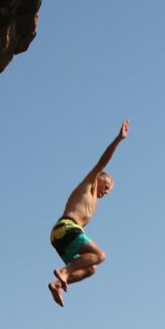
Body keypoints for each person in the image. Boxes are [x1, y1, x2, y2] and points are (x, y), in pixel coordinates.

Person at [48, 120, 129, 307]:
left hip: (59, 237)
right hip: (66, 227)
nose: (106, 192)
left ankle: (57, 284)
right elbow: (103, 161)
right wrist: (118, 140)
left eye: (109, 192)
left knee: (91, 268)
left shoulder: (94, 206)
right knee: (100, 256)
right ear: (99, 179)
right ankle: (65, 272)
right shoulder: (88, 185)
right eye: (106, 186)